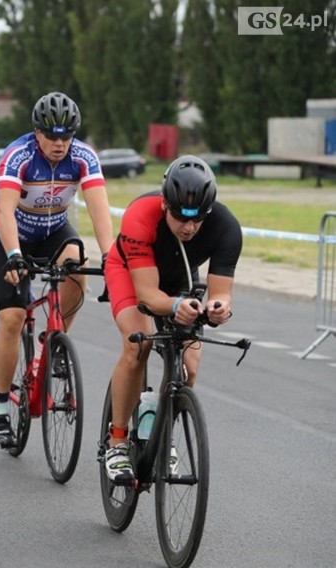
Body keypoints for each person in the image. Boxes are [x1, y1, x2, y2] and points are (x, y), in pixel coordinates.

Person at [0, 91, 114, 448]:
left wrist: (111, 256)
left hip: (53, 230)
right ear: (36, 132)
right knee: (12, 318)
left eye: (66, 136)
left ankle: (54, 342)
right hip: (10, 234)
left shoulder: (84, 157)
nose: (59, 144)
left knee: (76, 261)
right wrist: (13, 254)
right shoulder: (18, 156)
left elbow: (98, 210)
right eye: (51, 136)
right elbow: (5, 211)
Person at [102, 155, 242, 481]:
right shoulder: (140, 214)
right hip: (130, 272)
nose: (189, 227)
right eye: (180, 217)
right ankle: (118, 441)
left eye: (198, 219)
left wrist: (219, 307)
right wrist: (177, 304)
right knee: (138, 345)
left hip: (180, 278)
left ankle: (159, 420)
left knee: (188, 368)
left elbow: (221, 292)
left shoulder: (226, 227)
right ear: (165, 203)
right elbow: (149, 296)